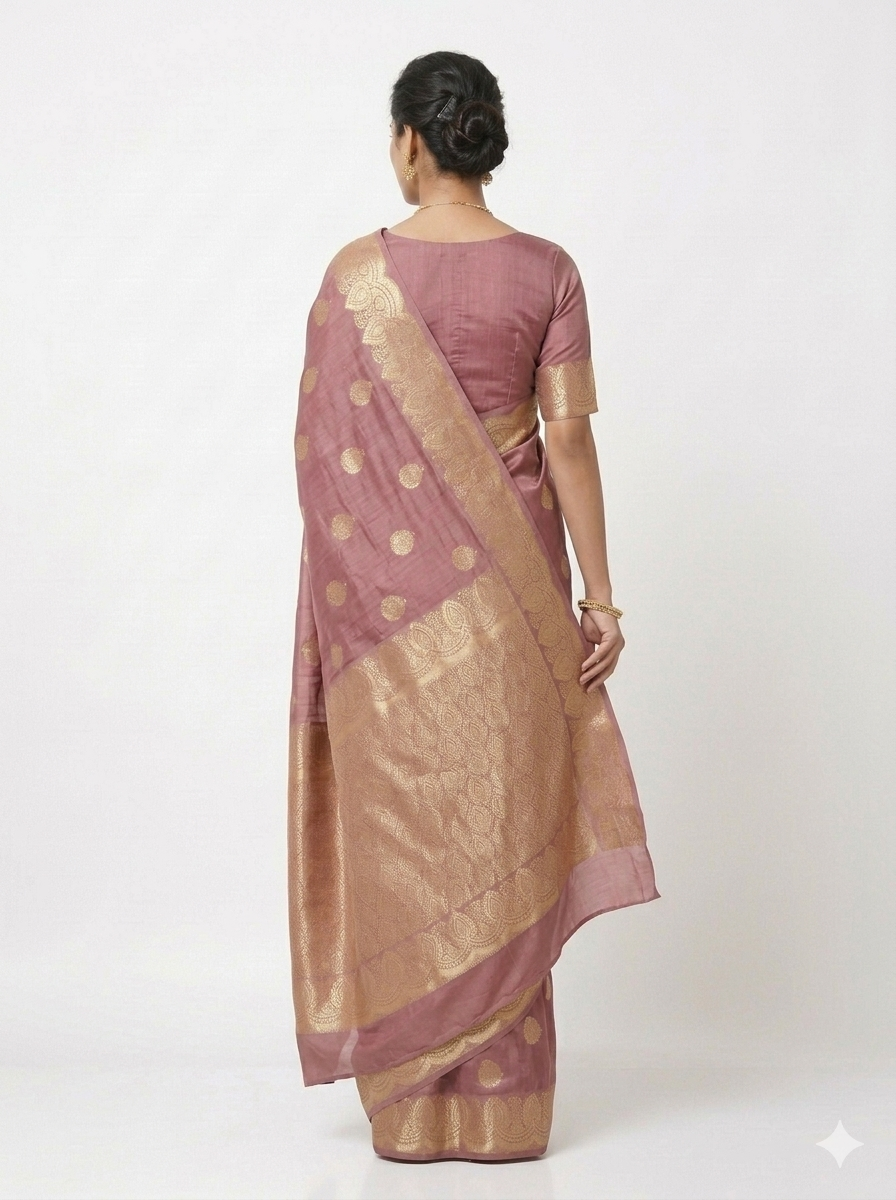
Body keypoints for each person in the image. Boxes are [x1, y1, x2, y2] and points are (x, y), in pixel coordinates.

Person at [287, 50, 660, 1163]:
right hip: (515, 617)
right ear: (479, 140)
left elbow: (321, 465)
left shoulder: (354, 276)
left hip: (382, 629)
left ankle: (411, 1114)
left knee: (410, 835)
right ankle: (504, 1116)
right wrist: (598, 597)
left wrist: (356, 613)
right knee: (502, 827)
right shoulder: (548, 270)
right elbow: (571, 440)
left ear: (410, 142)